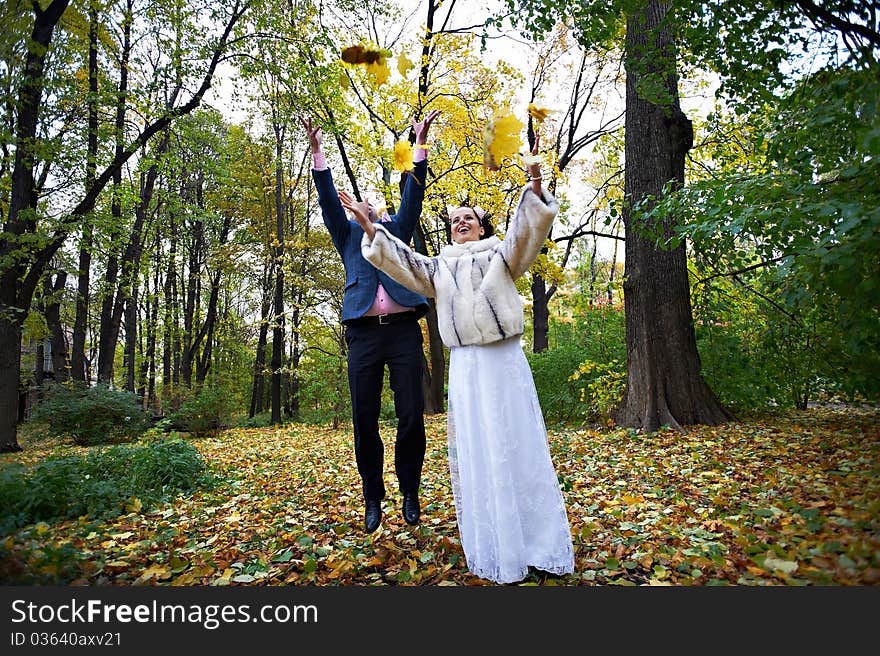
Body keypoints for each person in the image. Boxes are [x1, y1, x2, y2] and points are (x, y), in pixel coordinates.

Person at [340, 135, 575, 584]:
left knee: (515, 446)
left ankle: (536, 542)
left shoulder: (500, 255)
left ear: (482, 227)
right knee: (480, 451)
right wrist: (369, 227)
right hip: (467, 369)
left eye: (468, 218)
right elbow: (402, 262)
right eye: (453, 221)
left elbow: (526, 236)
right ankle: (495, 543)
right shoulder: (440, 266)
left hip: (502, 363)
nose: (460, 224)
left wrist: (536, 185)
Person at [302, 110, 441, 534]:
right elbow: (328, 204)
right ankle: (372, 497)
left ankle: (411, 492)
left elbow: (412, 197)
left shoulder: (396, 230)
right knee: (364, 418)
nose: (371, 209)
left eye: (376, 207)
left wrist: (419, 149)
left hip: (402, 334)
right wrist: (317, 153)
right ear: (356, 211)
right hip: (362, 335)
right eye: (365, 205)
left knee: (411, 416)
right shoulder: (346, 236)